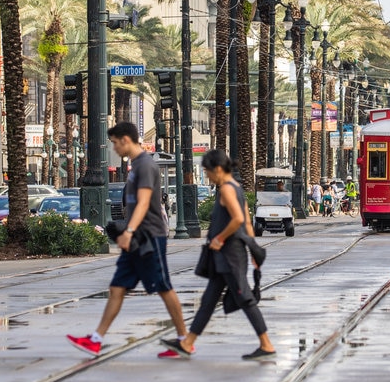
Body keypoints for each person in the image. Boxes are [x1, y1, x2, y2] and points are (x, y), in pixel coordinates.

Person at [66, 122, 188, 359]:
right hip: (136, 239)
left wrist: (129, 231)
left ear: (125, 140)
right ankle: (96, 339)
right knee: (117, 287)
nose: (114, 148)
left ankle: (185, 339)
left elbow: (143, 202)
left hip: (149, 237)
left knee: (163, 287)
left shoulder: (145, 166)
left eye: (114, 143)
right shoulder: (136, 166)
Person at [161, 149, 276, 361]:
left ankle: (266, 344)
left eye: (208, 172)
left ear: (219, 169)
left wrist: (220, 238)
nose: (207, 176)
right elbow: (248, 223)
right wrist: (253, 248)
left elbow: (237, 219)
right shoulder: (236, 187)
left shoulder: (226, 190)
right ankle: (187, 343)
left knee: (245, 299)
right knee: (208, 301)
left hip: (229, 255)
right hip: (226, 256)